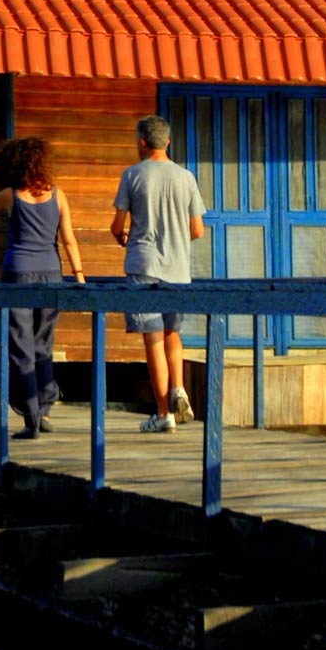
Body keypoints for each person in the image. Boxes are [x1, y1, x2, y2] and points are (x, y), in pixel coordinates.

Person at [0, 137, 85, 439]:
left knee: (19, 346)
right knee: (42, 344)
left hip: (17, 274)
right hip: (52, 274)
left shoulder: (10, 195)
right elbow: (69, 240)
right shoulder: (58, 196)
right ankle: (45, 407)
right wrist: (79, 276)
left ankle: (31, 417)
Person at [111, 114, 205, 433]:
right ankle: (179, 388)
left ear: (141, 142)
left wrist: (122, 237)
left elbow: (117, 226)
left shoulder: (132, 175)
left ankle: (164, 413)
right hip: (178, 269)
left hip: (143, 267)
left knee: (152, 341)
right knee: (172, 333)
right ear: (167, 142)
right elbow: (197, 230)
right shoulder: (186, 177)